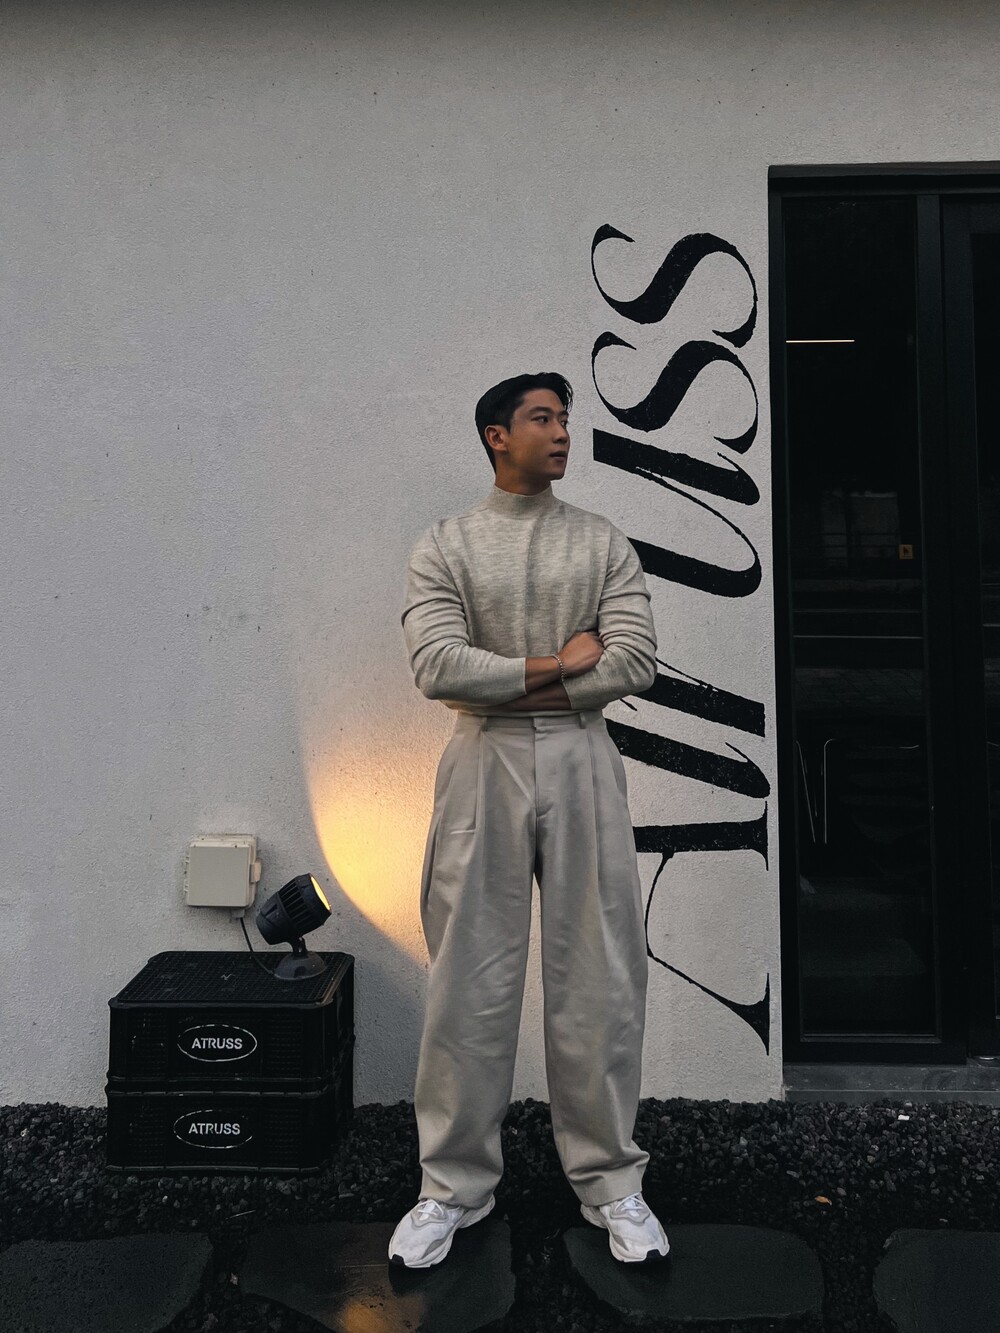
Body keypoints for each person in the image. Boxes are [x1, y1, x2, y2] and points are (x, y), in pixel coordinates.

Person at [389, 371, 670, 1269]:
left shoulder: (600, 540)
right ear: (495, 435)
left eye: (565, 418)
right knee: (468, 978)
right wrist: (559, 661)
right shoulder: (446, 543)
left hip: (583, 756)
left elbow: (634, 660)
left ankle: (612, 1181)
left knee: (601, 973)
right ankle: (451, 1189)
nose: (561, 432)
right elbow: (437, 666)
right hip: (483, 759)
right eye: (542, 418)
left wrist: (514, 677)